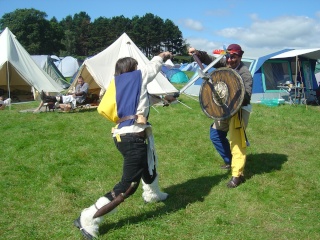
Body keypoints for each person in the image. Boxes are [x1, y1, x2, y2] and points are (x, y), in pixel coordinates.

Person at [74, 51, 175, 239]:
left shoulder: (118, 84)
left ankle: (153, 194)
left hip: (124, 135)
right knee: (127, 186)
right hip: (132, 138)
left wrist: (163, 100)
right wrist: (162, 55)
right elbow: (152, 68)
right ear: (132, 69)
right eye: (135, 67)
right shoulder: (137, 76)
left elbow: (141, 98)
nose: (138, 69)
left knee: (149, 161)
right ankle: (88, 218)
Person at [188, 44, 253, 188]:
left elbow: (246, 96)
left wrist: (231, 92)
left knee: (236, 142)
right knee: (215, 134)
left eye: (234, 57)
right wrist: (197, 53)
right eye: (228, 57)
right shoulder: (225, 63)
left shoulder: (245, 73)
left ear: (240, 56)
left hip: (239, 110)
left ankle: (237, 175)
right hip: (223, 109)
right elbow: (209, 59)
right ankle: (229, 160)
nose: (230, 60)